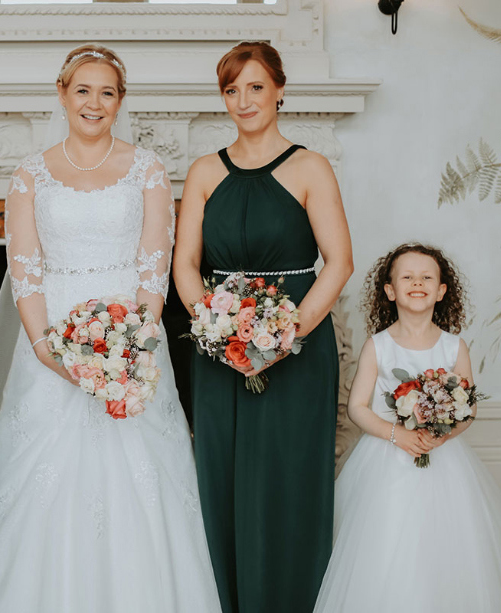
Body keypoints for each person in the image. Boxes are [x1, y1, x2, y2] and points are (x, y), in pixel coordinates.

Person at [0, 44, 221, 612]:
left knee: (139, 467)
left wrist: (132, 345)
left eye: (107, 92)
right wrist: (45, 348)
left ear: (120, 100)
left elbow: (156, 262)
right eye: (83, 90)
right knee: (41, 470)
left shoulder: (148, 168)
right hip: (48, 334)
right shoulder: (30, 173)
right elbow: (25, 268)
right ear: (62, 94)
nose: (94, 102)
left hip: (132, 336)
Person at [173, 41, 354, 613]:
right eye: (232, 90)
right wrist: (217, 330)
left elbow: (339, 262)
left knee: (289, 472)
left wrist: (283, 335)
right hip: (219, 349)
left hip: (297, 346)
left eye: (255, 87)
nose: (243, 100)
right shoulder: (204, 171)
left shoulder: (310, 167)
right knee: (222, 473)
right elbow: (185, 264)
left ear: (279, 88)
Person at [313, 243, 501, 613]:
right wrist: (398, 435)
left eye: (428, 277)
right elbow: (358, 407)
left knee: (450, 543)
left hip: (442, 455)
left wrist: (440, 434)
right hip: (387, 457)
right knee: (385, 539)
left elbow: (468, 407)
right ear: (390, 290)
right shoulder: (378, 346)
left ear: (442, 291)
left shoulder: (453, 346)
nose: (418, 282)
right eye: (407, 276)